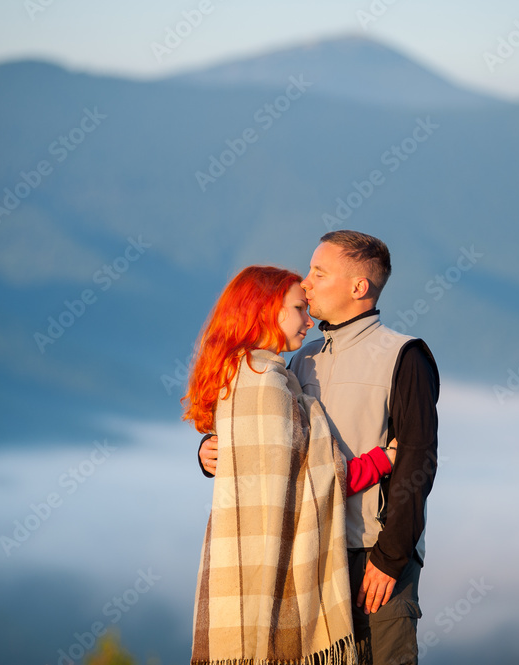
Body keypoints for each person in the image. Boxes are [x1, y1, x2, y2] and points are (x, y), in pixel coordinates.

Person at [199, 231, 440, 665]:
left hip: (373, 554)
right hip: (309, 554)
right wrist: (211, 451)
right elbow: (276, 442)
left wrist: (390, 558)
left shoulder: (405, 356)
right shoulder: (299, 359)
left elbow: (417, 462)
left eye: (318, 272)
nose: (306, 282)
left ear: (358, 287)